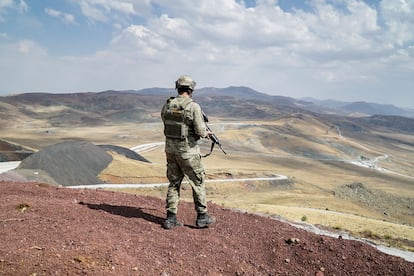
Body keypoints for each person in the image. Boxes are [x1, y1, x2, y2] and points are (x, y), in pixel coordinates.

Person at [160, 75, 216, 229]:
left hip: (170, 151)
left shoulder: (168, 104)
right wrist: (206, 133)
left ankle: (170, 219)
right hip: (188, 153)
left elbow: (165, 122)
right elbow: (199, 129)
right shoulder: (193, 106)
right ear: (191, 89)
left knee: (174, 183)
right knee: (197, 182)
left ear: (178, 88)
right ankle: (202, 217)